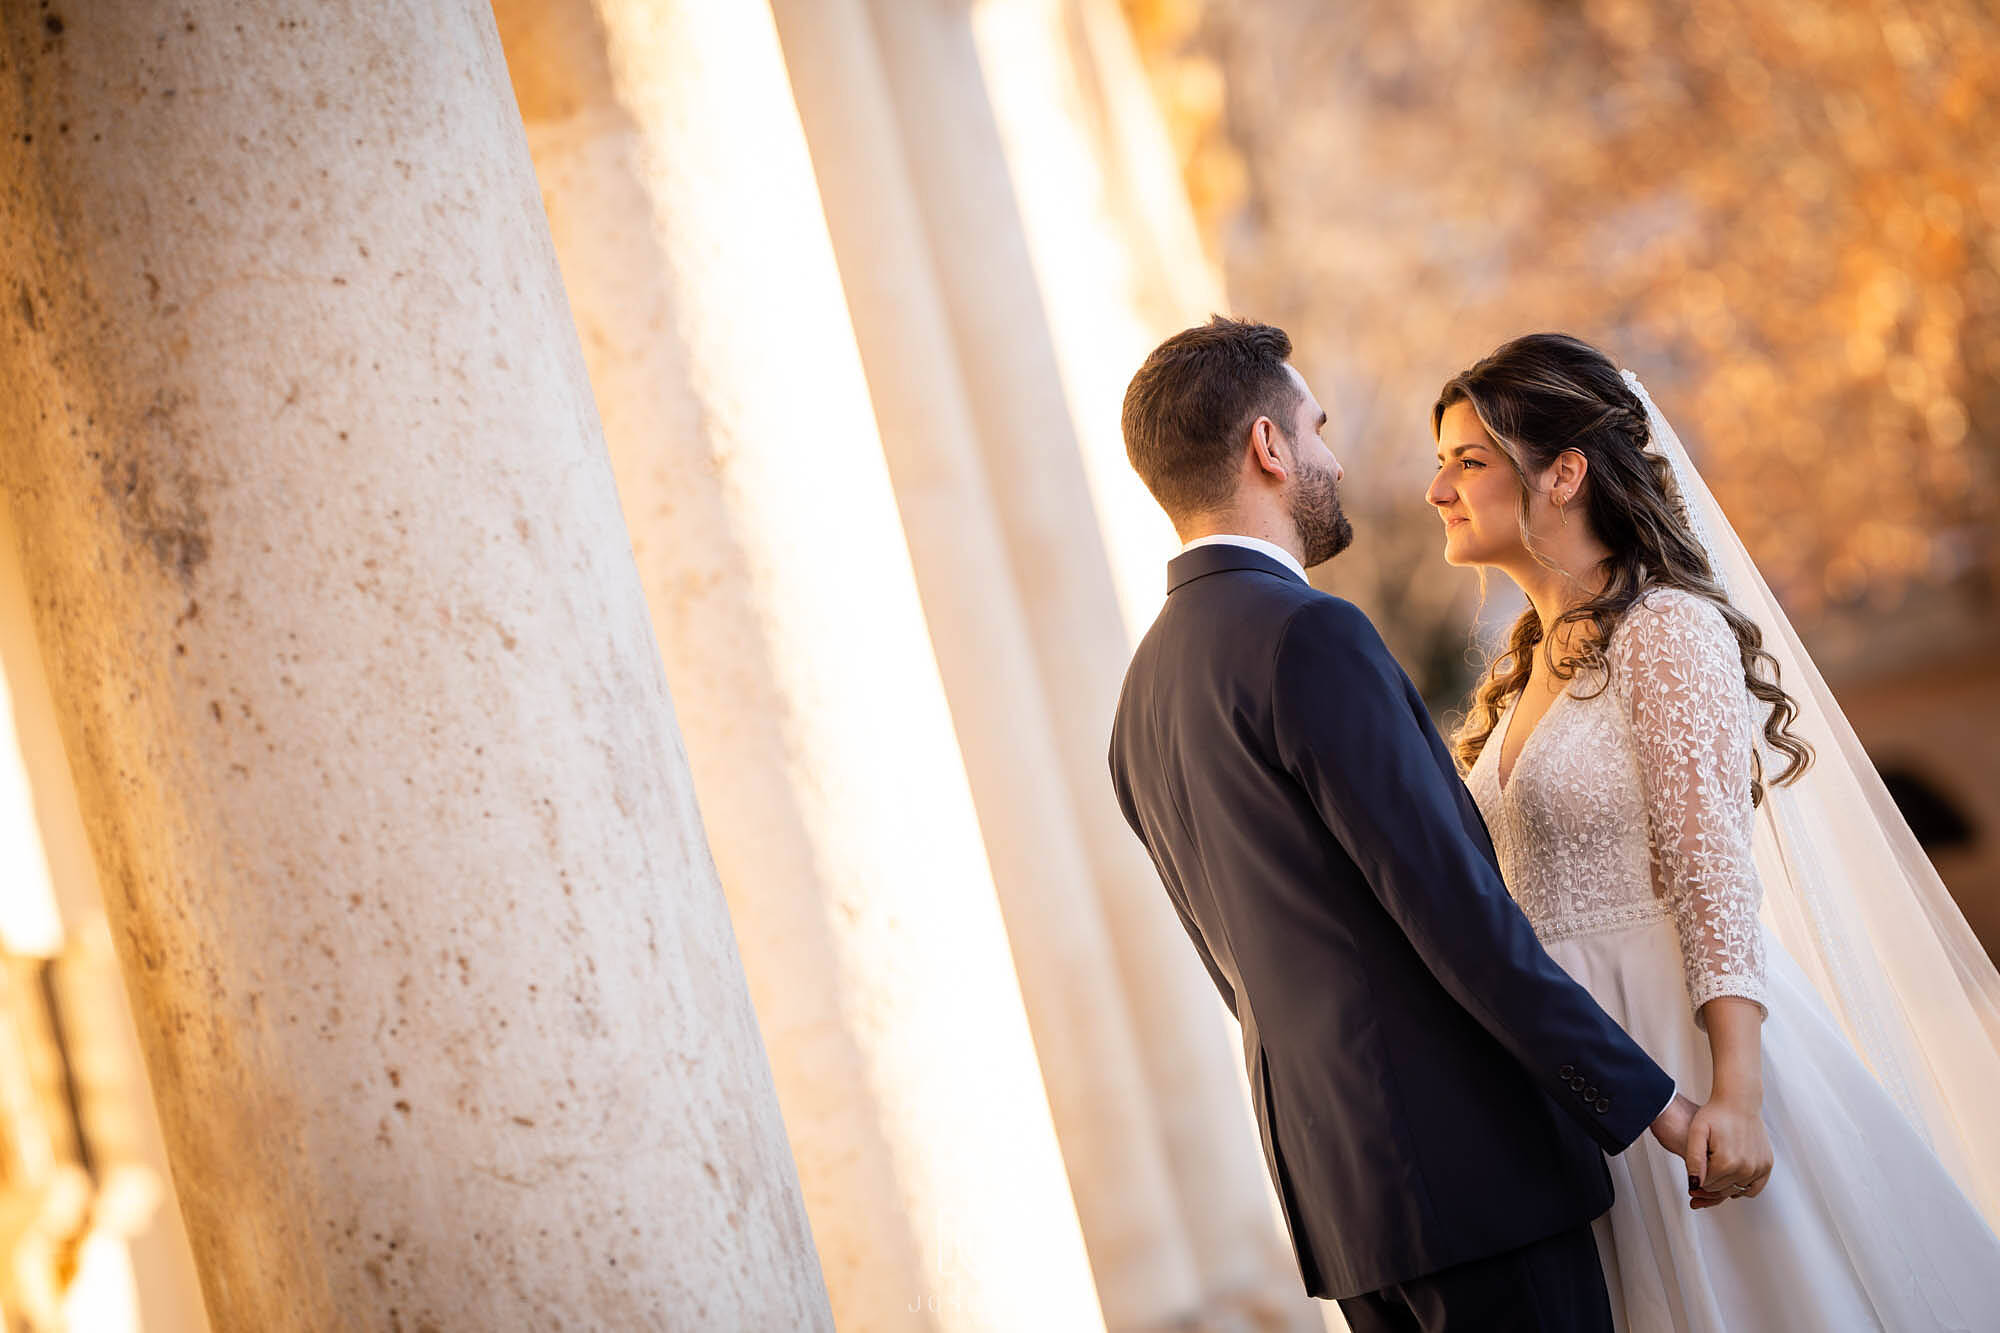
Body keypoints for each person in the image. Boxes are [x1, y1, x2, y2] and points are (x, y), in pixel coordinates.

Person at [1109, 316, 1704, 1333]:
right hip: (1473, 1177)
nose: (1330, 458)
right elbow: (1453, 910)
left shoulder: (1140, 698)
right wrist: (1654, 1107)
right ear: (1266, 447)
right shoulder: (1309, 634)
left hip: (1345, 1209)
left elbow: (1240, 971)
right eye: (1317, 427)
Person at [1427, 331, 2000, 1330]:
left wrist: (1733, 1094)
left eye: (1466, 461)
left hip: (1683, 1047)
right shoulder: (1518, 672)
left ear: (1562, 473)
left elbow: (1711, 875)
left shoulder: (1665, 630)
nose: (1437, 489)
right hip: (1581, 1075)